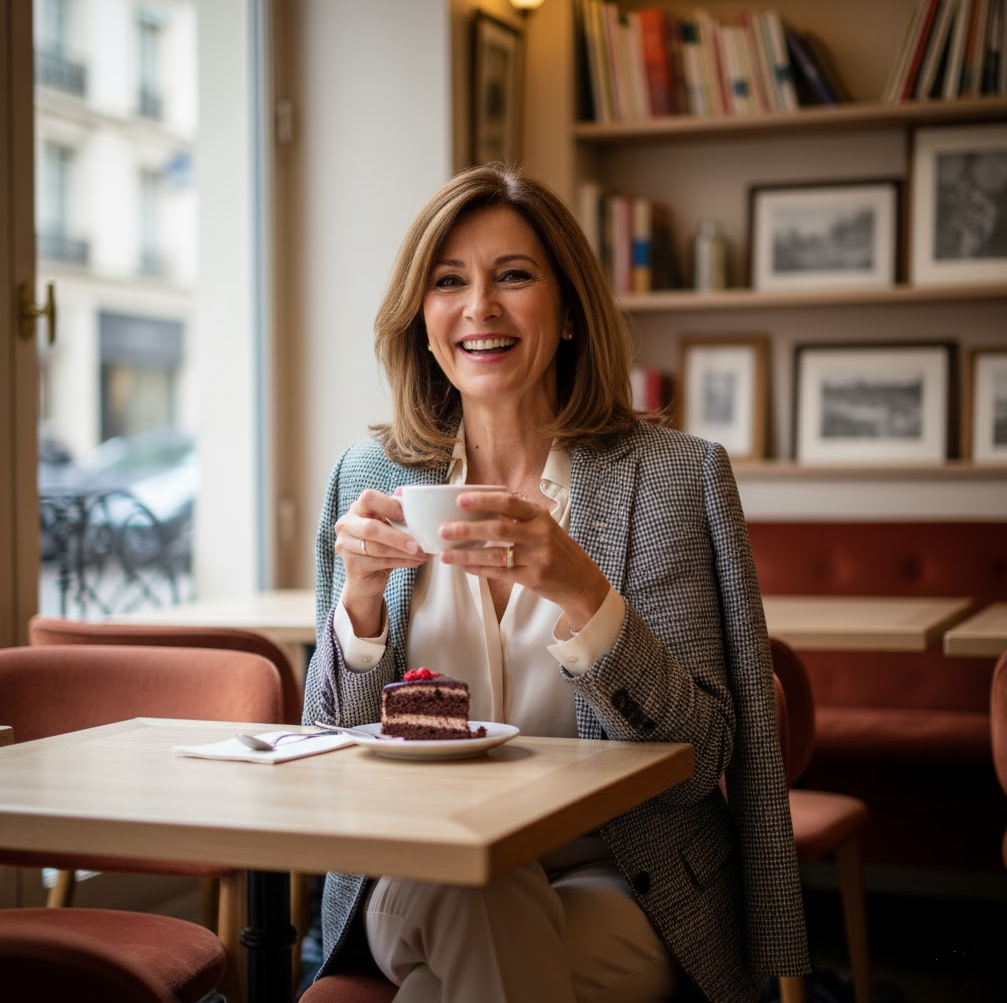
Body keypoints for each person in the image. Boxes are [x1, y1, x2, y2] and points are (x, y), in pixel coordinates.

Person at [302, 162, 809, 1003]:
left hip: (618, 880)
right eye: (449, 281)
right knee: (471, 885)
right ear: (421, 321)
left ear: (568, 310)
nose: (479, 308)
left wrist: (587, 596)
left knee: (479, 930)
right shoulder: (371, 474)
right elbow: (326, 747)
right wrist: (356, 607)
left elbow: (700, 761)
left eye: (513, 276)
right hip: (417, 875)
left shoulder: (674, 480)